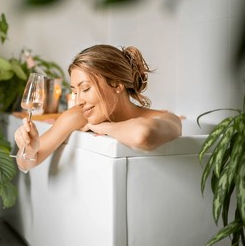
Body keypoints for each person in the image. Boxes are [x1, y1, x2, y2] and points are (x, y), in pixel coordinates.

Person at [13, 44, 182, 172]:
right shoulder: (77, 116)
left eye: (85, 88)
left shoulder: (167, 118)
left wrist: (102, 127)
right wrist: (29, 148)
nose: (78, 100)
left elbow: (142, 136)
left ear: (116, 84)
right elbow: (27, 163)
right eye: (74, 92)